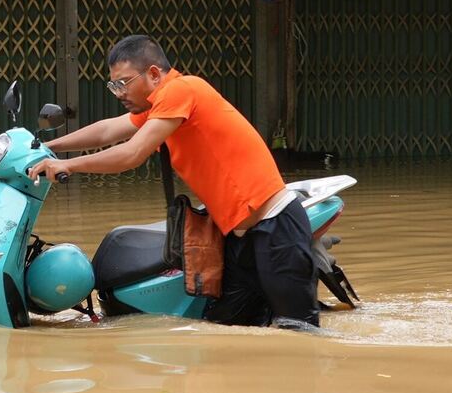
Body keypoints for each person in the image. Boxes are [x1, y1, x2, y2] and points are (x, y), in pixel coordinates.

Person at [25, 35, 319, 328]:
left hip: (274, 225)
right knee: (224, 328)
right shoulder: (160, 107)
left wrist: (68, 165)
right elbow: (107, 131)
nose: (119, 93)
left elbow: (132, 153)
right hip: (238, 239)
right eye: (114, 85)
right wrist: (49, 147)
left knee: (299, 331)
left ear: (153, 74)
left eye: (124, 83)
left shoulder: (181, 89)